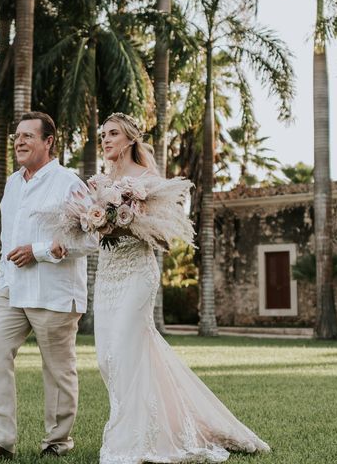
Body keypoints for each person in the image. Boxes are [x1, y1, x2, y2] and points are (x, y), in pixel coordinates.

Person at [87, 113, 270, 463]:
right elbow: (90, 230)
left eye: (112, 134)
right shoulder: (99, 182)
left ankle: (132, 441)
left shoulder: (148, 180)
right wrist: (90, 221)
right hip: (107, 276)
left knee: (123, 353)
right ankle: (157, 422)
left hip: (137, 274)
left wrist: (123, 224)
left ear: (129, 139)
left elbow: (164, 237)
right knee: (106, 360)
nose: (106, 139)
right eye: (103, 134)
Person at [0, 112, 96, 460]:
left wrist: (39, 252)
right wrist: (1, 280)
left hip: (53, 293)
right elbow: (8, 237)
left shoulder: (69, 182)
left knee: (58, 371)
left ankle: (57, 442)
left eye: (28, 136)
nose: (19, 142)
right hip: (12, 291)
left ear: (48, 141)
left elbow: (93, 238)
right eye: (17, 136)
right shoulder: (12, 183)